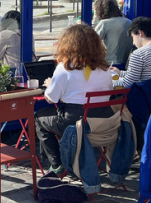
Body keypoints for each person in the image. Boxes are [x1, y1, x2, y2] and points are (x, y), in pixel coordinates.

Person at [35, 24, 116, 175]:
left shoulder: (65, 68)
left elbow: (50, 99)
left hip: (76, 122)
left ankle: (56, 164)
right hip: (103, 121)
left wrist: (50, 84)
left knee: (40, 118)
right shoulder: (105, 68)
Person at [93, 0, 133, 67]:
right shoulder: (128, 21)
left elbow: (92, 42)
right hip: (127, 62)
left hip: (109, 62)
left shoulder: (104, 23)